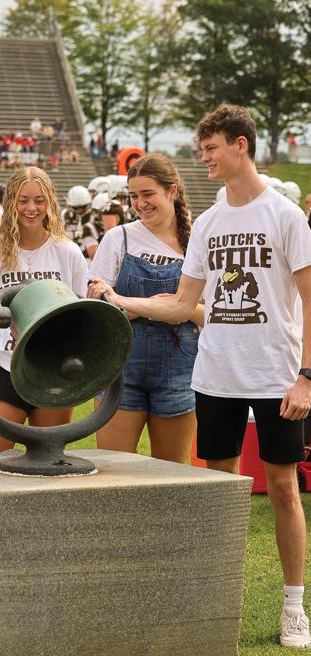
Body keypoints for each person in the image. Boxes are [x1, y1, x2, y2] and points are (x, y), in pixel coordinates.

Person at [90, 105, 311, 650]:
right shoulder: (209, 225)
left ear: (240, 145)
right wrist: (121, 302)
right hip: (213, 379)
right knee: (220, 490)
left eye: (210, 149)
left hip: (275, 375)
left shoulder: (286, 217)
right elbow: (184, 304)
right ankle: (215, 599)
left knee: (283, 488)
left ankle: (293, 605)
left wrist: (305, 377)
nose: (204, 159)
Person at [88, 153, 203, 463]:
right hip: (121, 367)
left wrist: (166, 307)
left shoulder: (198, 242)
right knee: (112, 474)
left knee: (171, 478)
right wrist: (160, 305)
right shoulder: (119, 238)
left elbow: (212, 314)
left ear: (173, 191)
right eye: (133, 196)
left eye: (147, 194)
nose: (140, 204)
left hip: (180, 370)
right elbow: (95, 307)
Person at [0, 167, 88, 454]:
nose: (31, 208)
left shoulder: (67, 252)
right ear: (10, 203)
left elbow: (83, 316)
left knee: (48, 464)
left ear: (50, 203)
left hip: (53, 370)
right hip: (3, 367)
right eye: (23, 200)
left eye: (39, 200)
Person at [61, 185, 99, 261]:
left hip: (87, 258)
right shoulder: (65, 214)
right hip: (68, 257)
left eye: (83, 207)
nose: (80, 210)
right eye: (76, 208)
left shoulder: (94, 216)